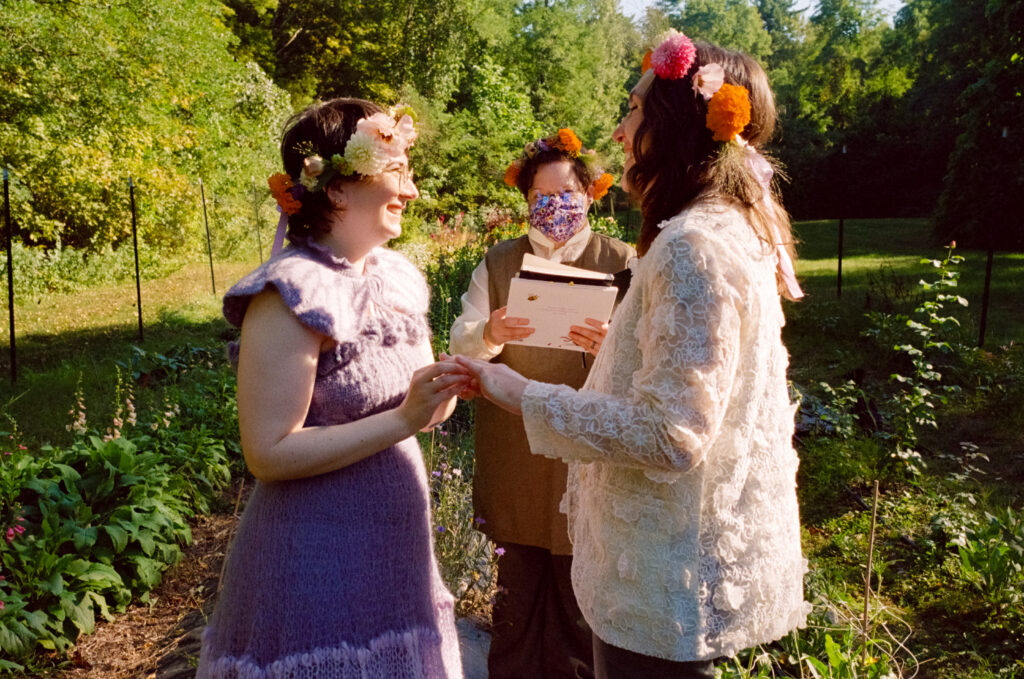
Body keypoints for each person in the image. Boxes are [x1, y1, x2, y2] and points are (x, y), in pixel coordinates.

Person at [452, 31, 810, 679]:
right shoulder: (730, 225)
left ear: (674, 122)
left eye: (635, 110)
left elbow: (673, 434)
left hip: (663, 586)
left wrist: (515, 390)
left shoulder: (691, 244)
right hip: (673, 577)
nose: (621, 131)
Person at [196, 98, 467, 679]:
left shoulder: (396, 276)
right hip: (315, 569)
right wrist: (402, 421)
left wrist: (453, 380)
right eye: (399, 173)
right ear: (339, 189)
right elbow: (267, 452)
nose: (413, 191)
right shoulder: (288, 294)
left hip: (398, 558)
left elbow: (418, 407)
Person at [449, 129, 633, 679]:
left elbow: (651, 360)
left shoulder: (622, 260)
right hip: (516, 444)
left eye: (563, 195)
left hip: (586, 443)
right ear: (526, 202)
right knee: (518, 593)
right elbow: (461, 341)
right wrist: (492, 330)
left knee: (580, 601)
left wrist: (613, 348)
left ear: (589, 195)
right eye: (538, 198)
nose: (551, 208)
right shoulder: (501, 261)